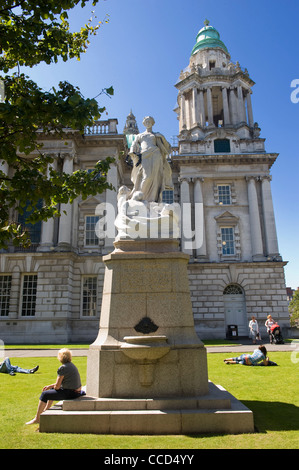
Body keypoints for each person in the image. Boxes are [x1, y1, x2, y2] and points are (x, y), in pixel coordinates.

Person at [26, 348, 83, 425]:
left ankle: (37, 418)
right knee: (51, 390)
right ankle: (45, 411)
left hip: (70, 393)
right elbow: (64, 383)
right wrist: (50, 386)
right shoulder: (71, 365)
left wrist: (52, 387)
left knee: (45, 394)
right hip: (76, 392)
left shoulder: (63, 368)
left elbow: (57, 387)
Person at [128, 116, 173, 203]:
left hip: (156, 154)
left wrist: (162, 137)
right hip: (144, 155)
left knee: (155, 177)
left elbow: (168, 147)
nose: (148, 123)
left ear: (152, 123)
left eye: (149, 121)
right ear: (144, 124)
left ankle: (152, 200)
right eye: (146, 121)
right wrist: (132, 153)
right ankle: (141, 197)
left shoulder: (157, 135)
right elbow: (133, 144)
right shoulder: (140, 135)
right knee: (147, 176)